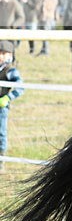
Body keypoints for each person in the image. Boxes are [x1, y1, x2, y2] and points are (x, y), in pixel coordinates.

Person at [0, 40, 24, 172]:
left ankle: (1, 161)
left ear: (10, 55)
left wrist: (8, 98)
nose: (1, 56)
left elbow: (20, 87)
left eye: (4, 53)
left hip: (1, 107)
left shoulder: (10, 70)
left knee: (1, 133)